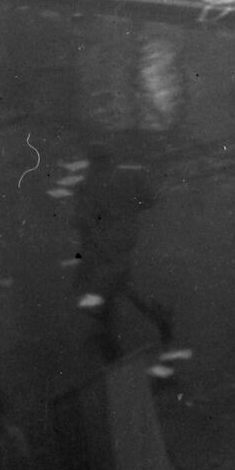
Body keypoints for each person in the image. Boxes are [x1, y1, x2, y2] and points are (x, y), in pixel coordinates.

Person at [71, 147, 173, 362]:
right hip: (121, 244)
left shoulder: (87, 185)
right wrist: (127, 210)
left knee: (96, 299)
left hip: (104, 251)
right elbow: (150, 199)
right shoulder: (126, 176)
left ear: (92, 161)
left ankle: (114, 352)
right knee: (120, 288)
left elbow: (84, 223)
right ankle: (157, 319)